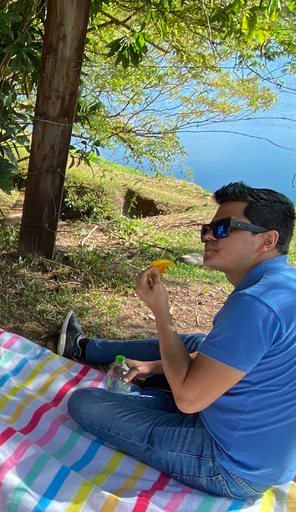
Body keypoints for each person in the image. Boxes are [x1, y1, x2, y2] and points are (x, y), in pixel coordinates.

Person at [57, 182, 296, 498]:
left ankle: (150, 394)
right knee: (197, 344)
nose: (210, 236)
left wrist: (161, 312)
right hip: (261, 449)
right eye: (208, 228)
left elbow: (188, 399)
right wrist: (155, 366)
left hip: (230, 465)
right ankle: (86, 348)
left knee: (84, 402)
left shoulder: (256, 305)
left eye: (223, 228)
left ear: (267, 240)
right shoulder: (284, 285)